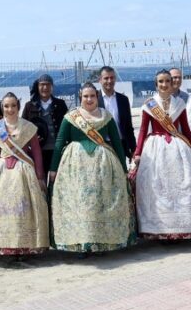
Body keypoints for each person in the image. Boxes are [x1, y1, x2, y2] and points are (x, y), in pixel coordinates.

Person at [49, 83, 135, 254]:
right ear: (80, 97)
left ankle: (102, 242)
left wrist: (123, 169)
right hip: (75, 165)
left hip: (103, 165)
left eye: (92, 96)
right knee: (80, 204)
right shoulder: (71, 117)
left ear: (97, 97)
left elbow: (117, 142)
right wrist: (53, 168)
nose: (89, 99)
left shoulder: (106, 116)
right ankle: (82, 244)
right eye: (85, 96)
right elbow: (59, 142)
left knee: (100, 204)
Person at [132, 70, 191, 240]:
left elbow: (186, 130)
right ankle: (160, 229)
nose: (164, 84)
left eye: (168, 81)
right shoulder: (149, 105)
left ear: (172, 83)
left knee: (183, 187)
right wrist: (137, 153)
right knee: (157, 188)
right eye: (161, 81)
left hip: (178, 148)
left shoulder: (180, 103)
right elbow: (143, 130)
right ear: (156, 84)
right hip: (156, 149)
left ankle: (182, 228)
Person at [0, 93, 50, 256]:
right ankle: (3, 246)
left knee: (23, 208)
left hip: (24, 171)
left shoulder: (28, 127)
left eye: (13, 106)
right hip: (1, 171)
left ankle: (23, 247)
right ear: (2, 108)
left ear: (18, 107)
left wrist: (40, 176)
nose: (10, 109)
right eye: (6, 106)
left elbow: (37, 153)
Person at [22, 73, 68, 174]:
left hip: (57, 151)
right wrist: (31, 140)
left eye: (48, 84)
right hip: (36, 151)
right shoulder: (29, 106)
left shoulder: (61, 105)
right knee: (39, 181)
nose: (45, 87)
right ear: (37, 87)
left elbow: (67, 127)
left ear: (52, 87)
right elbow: (23, 129)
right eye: (42, 84)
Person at [97, 65, 136, 159]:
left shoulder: (123, 100)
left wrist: (134, 149)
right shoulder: (94, 99)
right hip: (101, 145)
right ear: (100, 80)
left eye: (112, 78)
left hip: (121, 145)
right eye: (106, 78)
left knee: (122, 172)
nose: (109, 81)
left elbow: (128, 126)